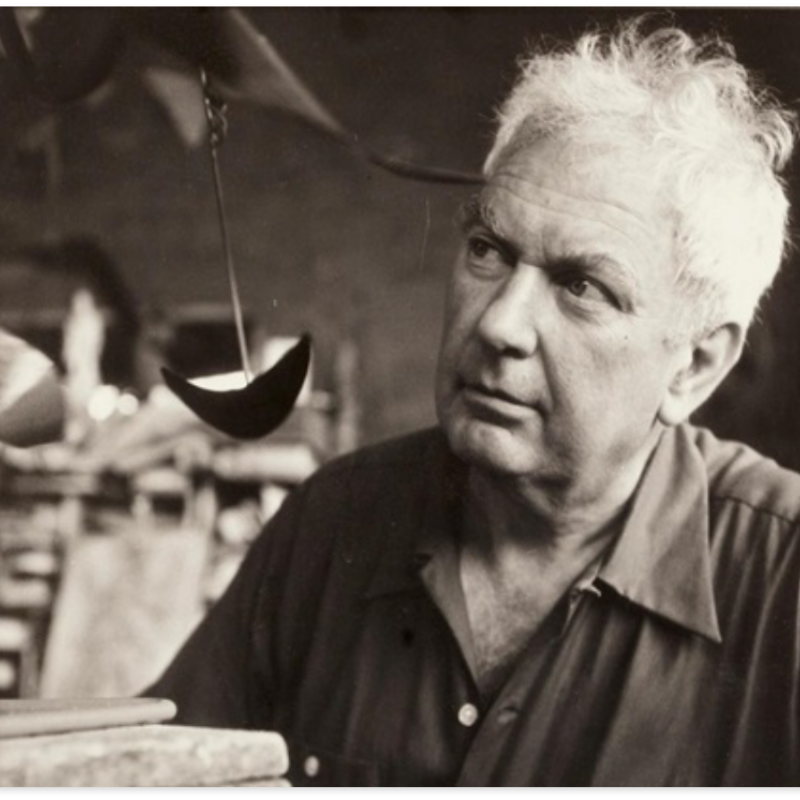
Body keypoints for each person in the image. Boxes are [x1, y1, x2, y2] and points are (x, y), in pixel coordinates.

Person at [149, 19, 800, 788]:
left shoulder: (781, 580)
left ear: (695, 365)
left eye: (582, 286)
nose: (499, 325)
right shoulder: (330, 523)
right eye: (489, 251)